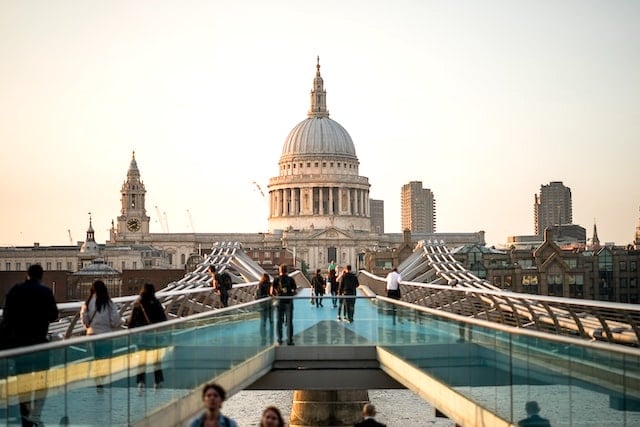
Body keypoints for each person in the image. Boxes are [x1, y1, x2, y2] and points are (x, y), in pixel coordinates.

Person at [0, 264, 58, 427]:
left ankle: (24, 414)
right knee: (41, 380)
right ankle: (35, 414)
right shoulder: (45, 292)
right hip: (39, 343)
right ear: (41, 276)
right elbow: (53, 315)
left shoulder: (15, 290)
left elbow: (6, 318)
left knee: (22, 380)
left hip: (20, 344)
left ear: (27, 274)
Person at [80, 280, 122, 391]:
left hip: (92, 334)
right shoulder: (109, 303)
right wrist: (114, 325)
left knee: (96, 358)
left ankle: (98, 381)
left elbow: (84, 319)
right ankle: (102, 379)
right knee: (107, 358)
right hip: (106, 334)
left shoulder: (88, 302)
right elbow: (115, 320)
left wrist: (89, 326)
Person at [127, 283, 168, 392]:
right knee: (156, 359)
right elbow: (163, 319)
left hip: (141, 336)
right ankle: (158, 382)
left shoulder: (138, 303)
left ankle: (141, 382)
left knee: (141, 360)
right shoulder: (155, 302)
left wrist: (130, 332)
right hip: (154, 335)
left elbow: (131, 322)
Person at [273, 264, 297, 345]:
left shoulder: (276, 279)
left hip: (279, 301)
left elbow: (271, 292)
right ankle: (289, 340)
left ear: (279, 270)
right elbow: (295, 291)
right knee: (289, 321)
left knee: (279, 321)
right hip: (289, 302)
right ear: (287, 270)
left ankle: (279, 339)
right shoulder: (291, 279)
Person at [256, 273, 275, 344]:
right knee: (271, 321)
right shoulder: (270, 284)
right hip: (270, 305)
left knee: (263, 322)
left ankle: (263, 336)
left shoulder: (260, 284)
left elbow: (259, 295)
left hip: (263, 305)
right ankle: (271, 336)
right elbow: (272, 294)